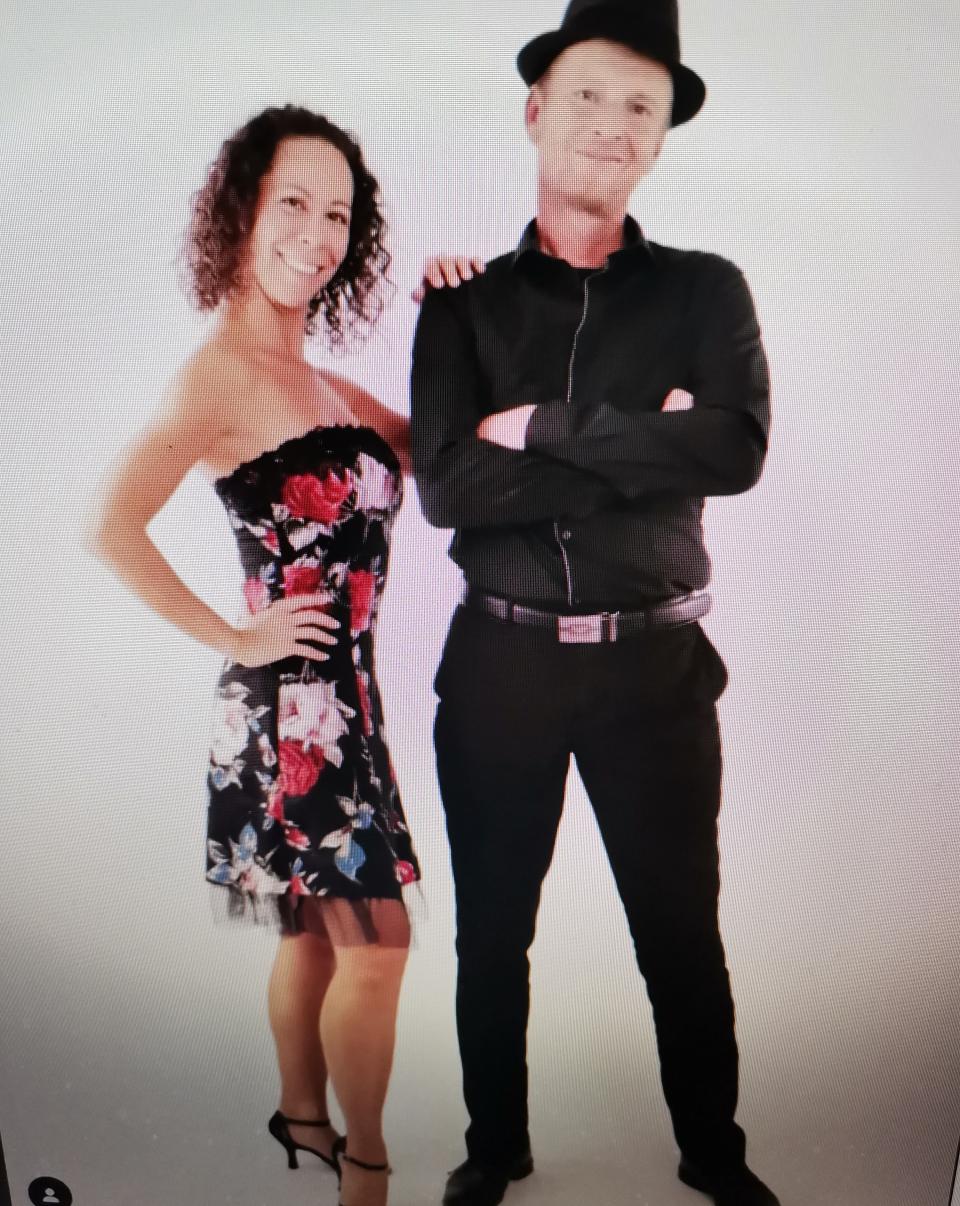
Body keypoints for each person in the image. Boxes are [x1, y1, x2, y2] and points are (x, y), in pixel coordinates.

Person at [411, 3, 779, 1205]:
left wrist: (544, 425)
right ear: (534, 111)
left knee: (680, 932)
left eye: (641, 106)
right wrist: (646, 444)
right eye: (588, 96)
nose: (614, 125)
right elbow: (447, 488)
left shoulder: (706, 291)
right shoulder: (461, 302)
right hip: (501, 667)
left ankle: (714, 1155)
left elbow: (734, 452)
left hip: (655, 675)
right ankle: (495, 1149)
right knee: (491, 933)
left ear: (662, 134)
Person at [90, 104, 437, 1206]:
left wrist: (463, 313)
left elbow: (428, 445)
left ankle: (302, 1115)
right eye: (293, 201)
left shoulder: (324, 383)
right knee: (377, 944)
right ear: (242, 210)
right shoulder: (218, 378)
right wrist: (238, 635)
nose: (316, 233)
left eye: (338, 214)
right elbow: (109, 524)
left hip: (349, 704)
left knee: (321, 941)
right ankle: (367, 1171)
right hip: (290, 715)